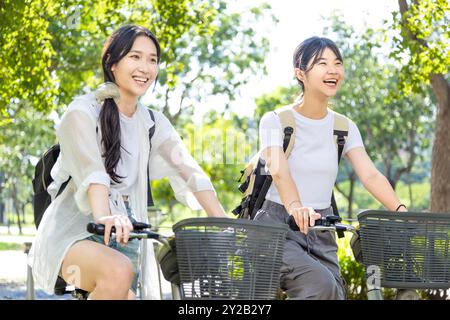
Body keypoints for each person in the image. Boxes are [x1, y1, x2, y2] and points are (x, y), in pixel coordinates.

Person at [28, 25, 227, 300]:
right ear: (112, 62)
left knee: (120, 277)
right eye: (135, 57)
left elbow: (190, 171)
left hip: (124, 238)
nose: (145, 67)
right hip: (70, 240)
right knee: (118, 271)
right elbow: (93, 174)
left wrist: (223, 219)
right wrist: (103, 216)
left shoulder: (153, 122)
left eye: (153, 59)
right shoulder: (82, 112)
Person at [254, 36, 407, 300]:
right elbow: (278, 170)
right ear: (300, 73)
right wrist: (296, 208)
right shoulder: (276, 120)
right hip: (278, 227)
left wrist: (401, 210)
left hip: (323, 229)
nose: (333, 70)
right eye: (322, 63)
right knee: (320, 285)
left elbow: (370, 174)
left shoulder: (344, 127)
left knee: (335, 292)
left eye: (337, 63)